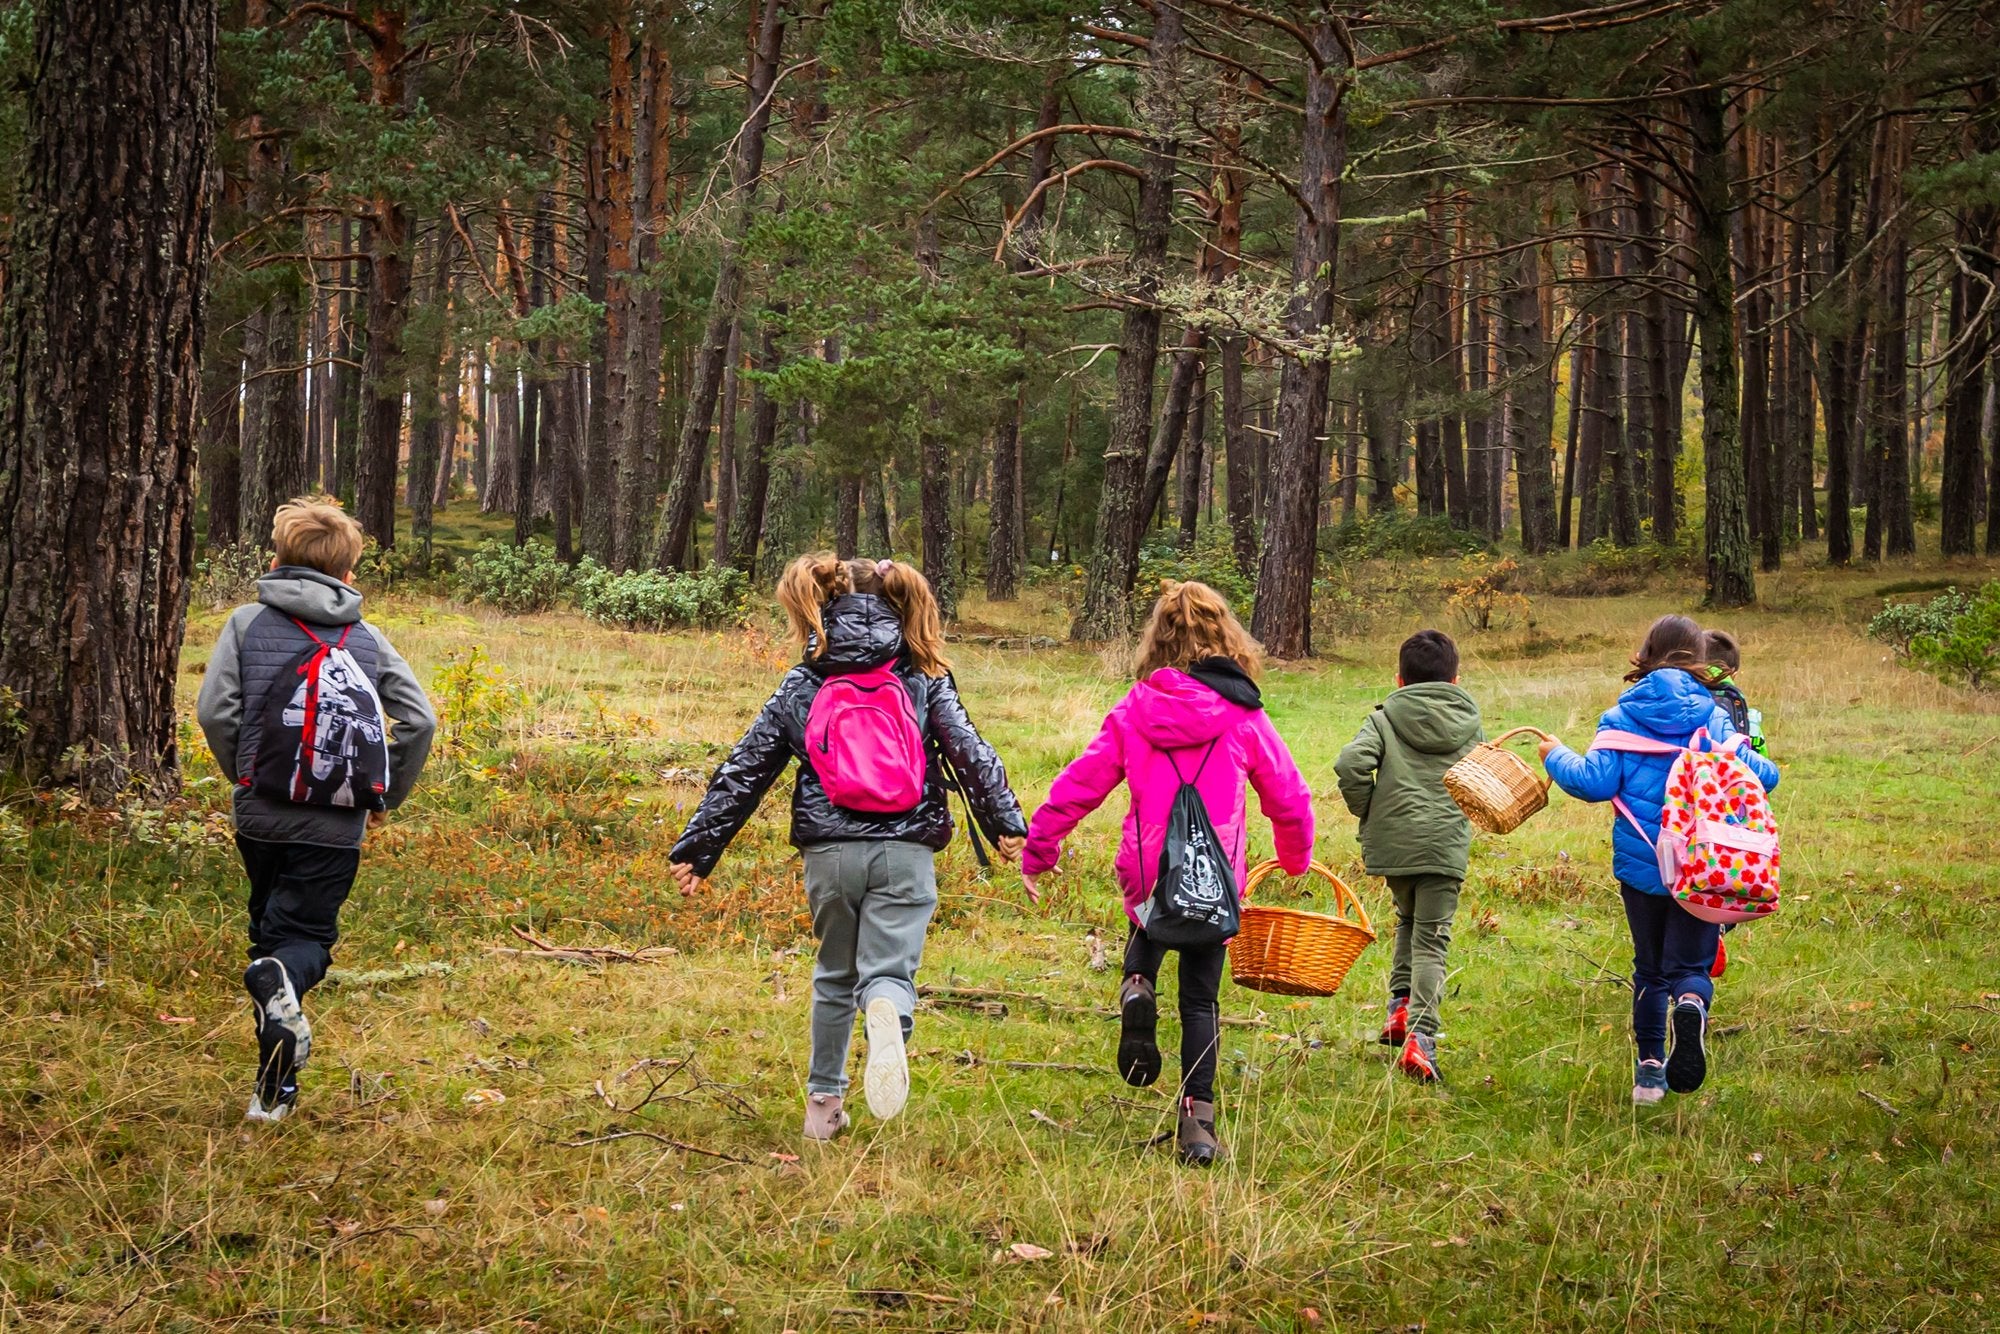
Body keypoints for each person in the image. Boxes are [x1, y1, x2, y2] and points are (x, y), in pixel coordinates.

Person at [668, 555, 1026, 1142]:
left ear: (823, 603)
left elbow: (746, 767)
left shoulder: (803, 682)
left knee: (834, 975)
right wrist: (1006, 824)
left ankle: (823, 1108)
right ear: (899, 603)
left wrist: (699, 849)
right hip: (906, 848)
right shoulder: (924, 677)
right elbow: (972, 752)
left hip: (829, 851)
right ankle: (886, 1013)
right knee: (889, 972)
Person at [1020, 582, 1314, 1165]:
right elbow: (1291, 795)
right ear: (1226, 637)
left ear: (1157, 641)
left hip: (1147, 872)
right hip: (1212, 879)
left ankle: (1136, 987)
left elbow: (1082, 782)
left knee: (1148, 931)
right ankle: (1197, 1124)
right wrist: (1295, 856)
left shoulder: (1134, 710)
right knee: (1200, 998)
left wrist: (1041, 845)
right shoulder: (1243, 715)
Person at [196, 499, 436, 1123]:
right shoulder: (366, 637)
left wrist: (247, 776)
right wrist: (384, 795)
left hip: (259, 815)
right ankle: (273, 1086)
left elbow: (214, 711)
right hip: (335, 824)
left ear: (275, 561)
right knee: (301, 941)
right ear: (350, 574)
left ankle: (271, 1094)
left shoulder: (247, 624)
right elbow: (419, 719)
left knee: (268, 939)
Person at [1538, 615, 1779, 1105]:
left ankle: (1649, 1075)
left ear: (1645, 653)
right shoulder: (1713, 718)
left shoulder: (1620, 717)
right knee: (1691, 964)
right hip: (1701, 865)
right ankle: (1691, 1004)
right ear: (1700, 659)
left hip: (1643, 867)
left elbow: (1592, 782)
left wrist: (1553, 753)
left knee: (1648, 969)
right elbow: (1764, 777)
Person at [1334, 629, 1483, 1084]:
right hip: (1443, 845)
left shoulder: (1383, 718)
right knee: (1432, 938)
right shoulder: (1470, 721)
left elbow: (1349, 764)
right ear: (1455, 680)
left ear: (1399, 680)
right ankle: (1423, 1037)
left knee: (1407, 920)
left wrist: (1371, 809)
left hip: (1395, 841)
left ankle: (1399, 1009)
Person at [1701, 630, 1763, 978]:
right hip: (1731, 805)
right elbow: (1758, 760)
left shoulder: (1687, 694)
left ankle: (1696, 937)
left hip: (1684, 798)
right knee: (1721, 874)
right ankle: (1716, 927)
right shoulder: (1741, 707)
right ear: (1733, 671)